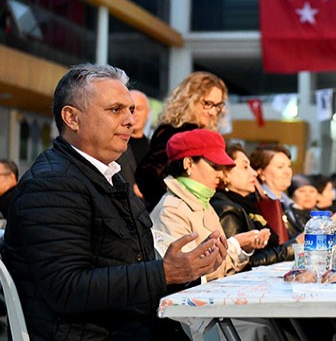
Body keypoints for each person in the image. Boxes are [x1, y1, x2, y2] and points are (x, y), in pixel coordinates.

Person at [1, 64, 228, 340]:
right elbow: (66, 288)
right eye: (115, 110)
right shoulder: (51, 184)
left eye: (131, 110)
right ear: (72, 118)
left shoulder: (109, 177)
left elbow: (133, 269)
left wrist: (190, 269)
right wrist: (165, 273)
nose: (130, 121)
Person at [150, 129, 267, 281]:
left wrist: (241, 248)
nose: (221, 174)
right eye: (215, 167)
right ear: (188, 163)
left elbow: (218, 266)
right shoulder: (171, 210)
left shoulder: (203, 203)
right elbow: (186, 276)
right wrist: (235, 245)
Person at [136, 71, 228, 211]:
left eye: (218, 106)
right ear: (190, 99)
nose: (213, 112)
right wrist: (174, 205)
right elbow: (147, 173)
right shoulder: (174, 132)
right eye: (207, 104)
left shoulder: (197, 132)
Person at [211, 143, 296, 268]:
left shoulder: (246, 204)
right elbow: (236, 263)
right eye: (245, 167)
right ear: (225, 174)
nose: (254, 173)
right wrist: (294, 246)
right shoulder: (227, 208)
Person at [250, 145, 305, 240]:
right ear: (261, 173)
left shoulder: (288, 203)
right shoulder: (260, 204)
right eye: (280, 167)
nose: (288, 172)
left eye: (289, 166)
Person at [116, 89, 151, 198]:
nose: (134, 114)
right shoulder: (114, 145)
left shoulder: (156, 148)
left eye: (139, 109)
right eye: (131, 109)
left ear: (148, 113)